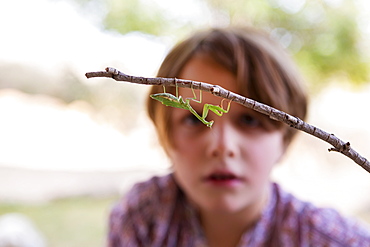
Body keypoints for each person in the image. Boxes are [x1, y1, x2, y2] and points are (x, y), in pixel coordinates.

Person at [108, 27, 370, 246]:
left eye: (249, 119)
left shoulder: (328, 238)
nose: (222, 146)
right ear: (164, 134)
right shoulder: (144, 218)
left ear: (285, 139)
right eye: (192, 119)